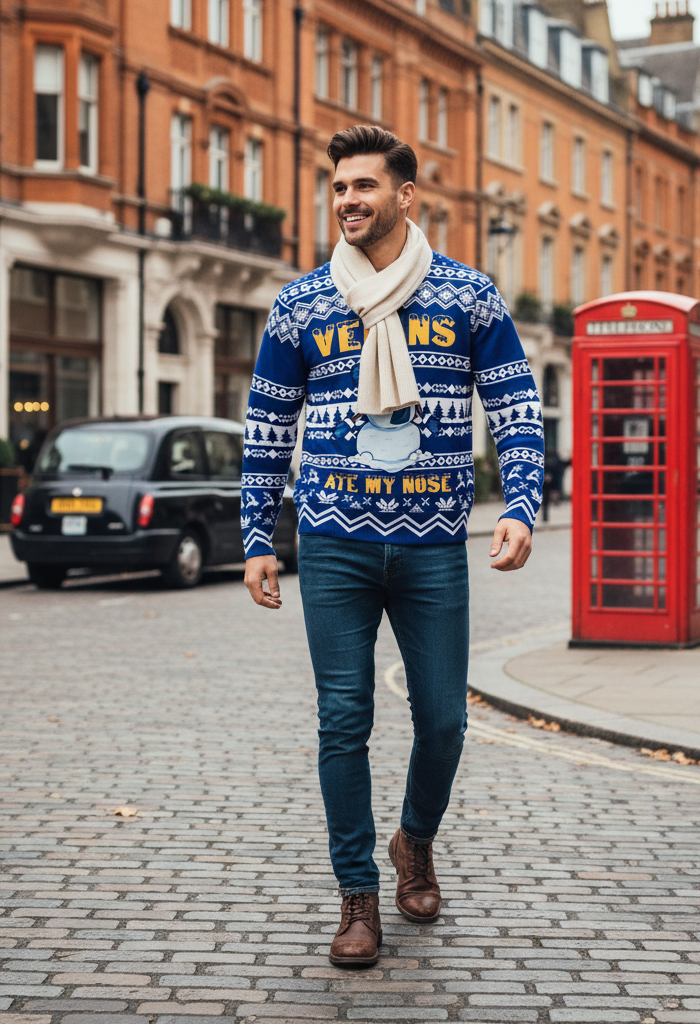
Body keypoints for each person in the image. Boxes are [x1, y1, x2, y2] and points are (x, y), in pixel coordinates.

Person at [241, 126, 544, 968]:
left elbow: (517, 407)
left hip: (434, 545)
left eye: (364, 187)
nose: (348, 200)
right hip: (333, 542)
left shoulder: (468, 297)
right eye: (339, 187)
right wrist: (257, 534)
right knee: (343, 722)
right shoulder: (300, 304)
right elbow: (268, 425)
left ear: (406, 196)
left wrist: (520, 503)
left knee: (443, 721)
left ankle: (416, 840)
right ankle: (358, 897)